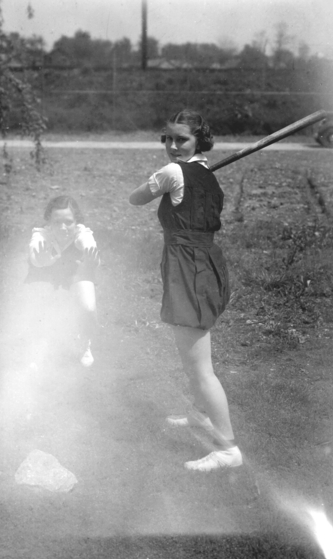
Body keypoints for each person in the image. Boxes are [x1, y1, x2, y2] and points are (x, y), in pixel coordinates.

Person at [129, 110, 242, 472]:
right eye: (168, 139)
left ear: (198, 141)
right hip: (204, 264)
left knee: (201, 368)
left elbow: (135, 199)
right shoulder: (205, 174)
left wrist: (166, 177)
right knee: (190, 354)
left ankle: (227, 449)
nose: (173, 146)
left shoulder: (174, 172)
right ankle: (199, 415)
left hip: (190, 270)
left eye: (182, 139)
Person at [25, 195, 99, 367]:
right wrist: (42, 260)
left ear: (76, 221)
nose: (63, 227)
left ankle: (85, 342)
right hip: (46, 275)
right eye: (57, 222)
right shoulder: (41, 235)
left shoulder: (83, 234)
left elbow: (90, 249)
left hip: (75, 274)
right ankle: (37, 344)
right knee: (37, 303)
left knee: (88, 307)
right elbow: (34, 253)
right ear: (49, 221)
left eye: (68, 222)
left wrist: (91, 258)